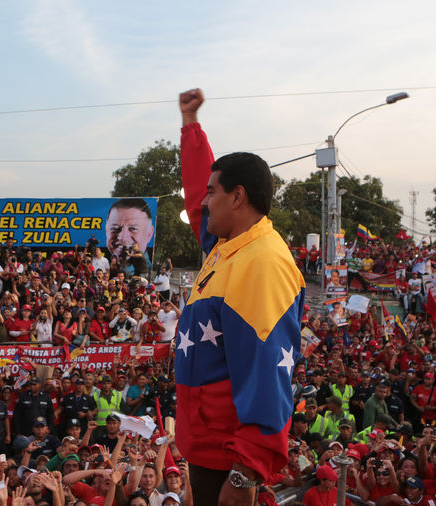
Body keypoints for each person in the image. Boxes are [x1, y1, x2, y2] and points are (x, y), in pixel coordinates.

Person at [176, 88, 305, 505]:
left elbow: (268, 371)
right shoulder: (227, 245)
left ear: (238, 197)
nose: (203, 200)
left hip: (229, 457)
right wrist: (191, 127)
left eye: (214, 192)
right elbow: (198, 194)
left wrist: (246, 469)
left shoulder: (262, 262)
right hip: (206, 445)